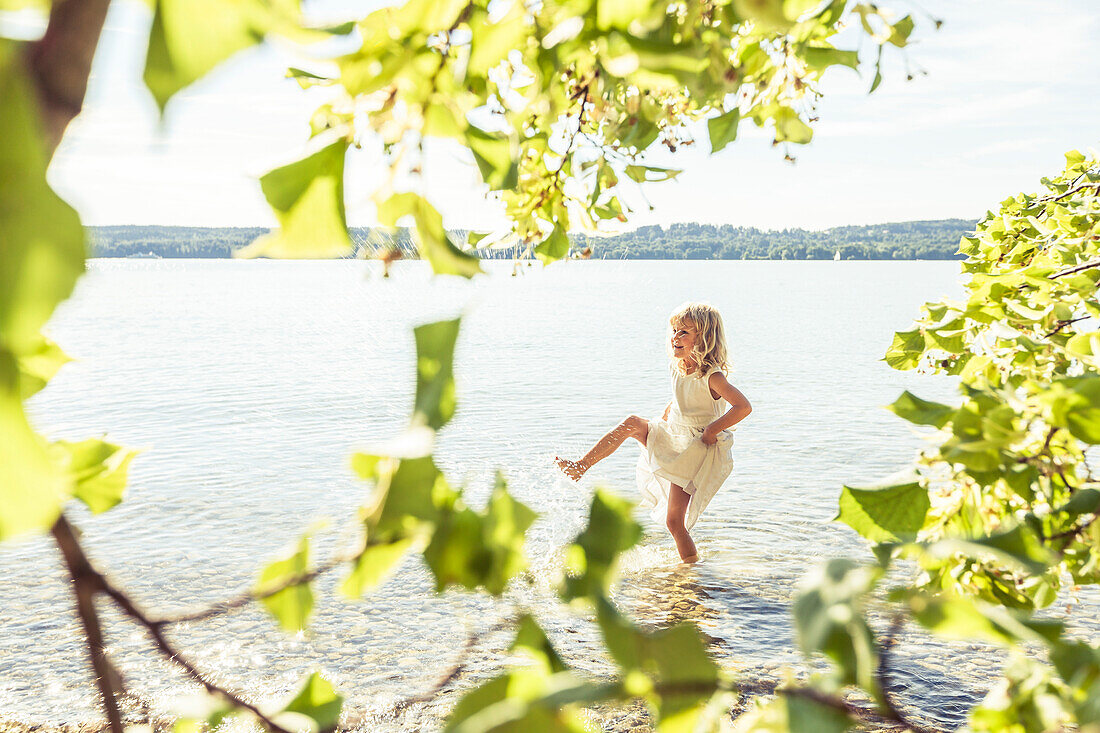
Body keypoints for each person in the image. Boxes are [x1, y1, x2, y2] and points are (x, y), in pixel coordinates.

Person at [555, 302, 752, 563]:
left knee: (674, 522)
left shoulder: (712, 377)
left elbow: (743, 407)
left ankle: (691, 571)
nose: (675, 337)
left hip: (696, 449)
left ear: (703, 338)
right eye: (674, 330)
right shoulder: (679, 367)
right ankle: (580, 467)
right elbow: (679, 401)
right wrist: (662, 421)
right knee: (632, 423)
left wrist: (713, 430)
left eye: (684, 332)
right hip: (674, 434)